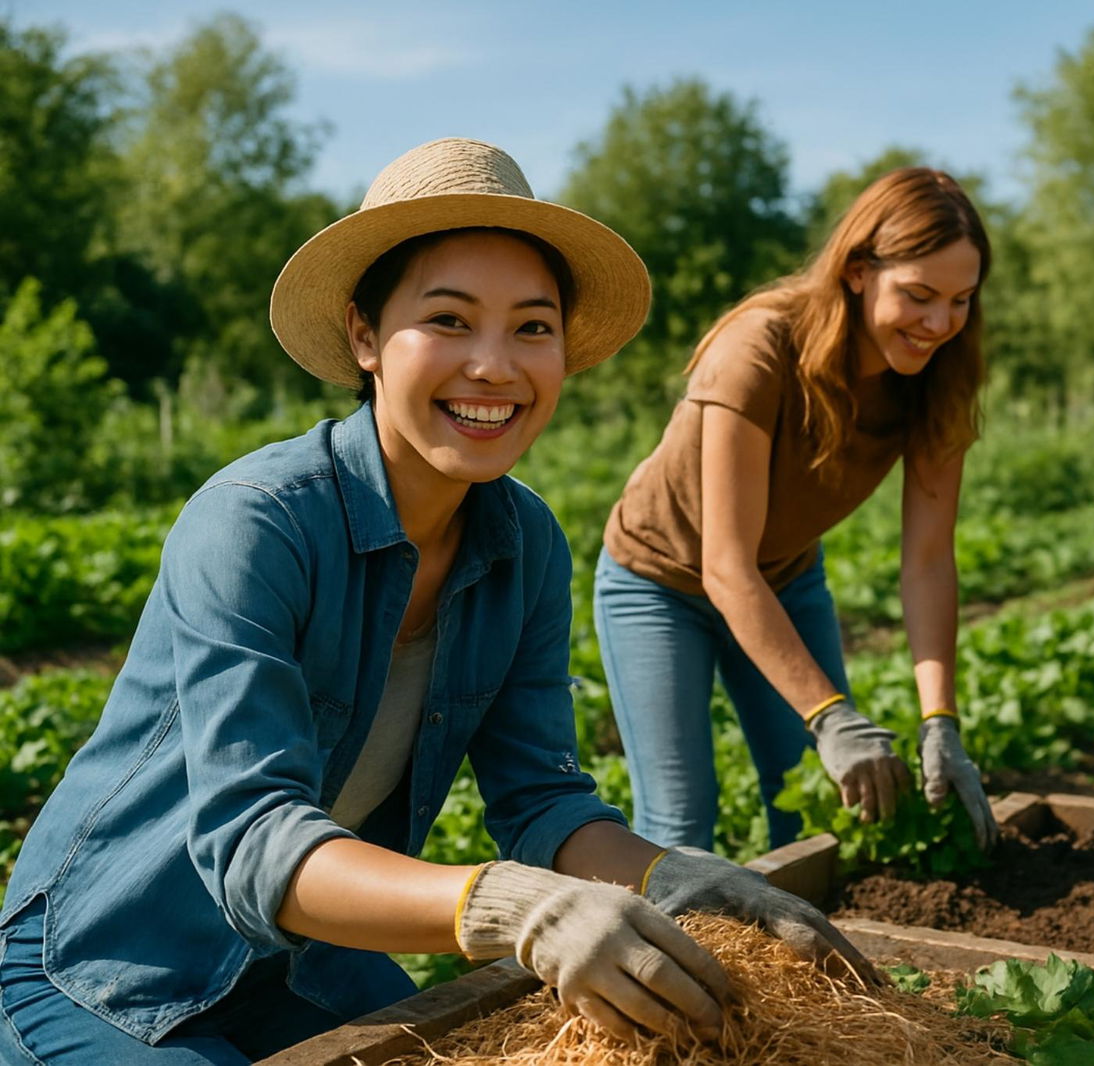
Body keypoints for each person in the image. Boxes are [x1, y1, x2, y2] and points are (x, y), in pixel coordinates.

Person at [0, 138, 868, 1066]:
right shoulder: (257, 525)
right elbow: (253, 841)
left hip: (307, 963)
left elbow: (539, 799)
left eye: (533, 328)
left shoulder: (524, 544)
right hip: (111, 963)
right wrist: (517, 906)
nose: (494, 367)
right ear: (366, 337)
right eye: (449, 320)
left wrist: (679, 877)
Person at [595, 167, 1001, 857]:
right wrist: (831, 715)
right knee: (680, 822)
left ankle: (803, 964)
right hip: (659, 582)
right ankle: (649, 961)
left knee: (816, 815)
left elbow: (928, 560)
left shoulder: (940, 377)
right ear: (855, 271)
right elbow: (725, 566)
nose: (940, 324)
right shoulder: (758, 349)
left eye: (961, 300)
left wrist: (941, 722)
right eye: (919, 295)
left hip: (783, 578)